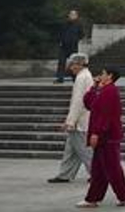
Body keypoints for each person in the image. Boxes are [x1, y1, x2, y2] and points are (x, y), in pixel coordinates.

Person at [77, 67, 125, 208]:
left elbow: (105, 115)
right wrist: (94, 87)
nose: (100, 75)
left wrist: (96, 133)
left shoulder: (110, 91)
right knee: (99, 170)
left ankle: (123, 195)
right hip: (105, 136)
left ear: (110, 76)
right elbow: (89, 104)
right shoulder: (104, 90)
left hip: (107, 137)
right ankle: (93, 198)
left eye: (103, 73)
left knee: (111, 168)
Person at [47, 53, 94, 184]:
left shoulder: (81, 78)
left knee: (84, 150)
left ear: (79, 64)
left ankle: (97, 173)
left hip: (80, 121)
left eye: (72, 64)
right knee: (71, 150)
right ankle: (65, 174)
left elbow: (78, 102)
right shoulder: (85, 75)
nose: (70, 67)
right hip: (81, 118)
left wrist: (70, 121)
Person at [55, 9, 83, 84]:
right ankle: (60, 78)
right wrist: (60, 41)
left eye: (74, 14)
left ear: (77, 16)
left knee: (74, 63)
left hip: (73, 46)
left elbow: (81, 34)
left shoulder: (79, 25)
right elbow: (60, 33)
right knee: (61, 62)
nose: (72, 16)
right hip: (64, 46)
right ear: (69, 15)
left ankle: (75, 77)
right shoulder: (64, 24)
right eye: (71, 14)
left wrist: (75, 39)